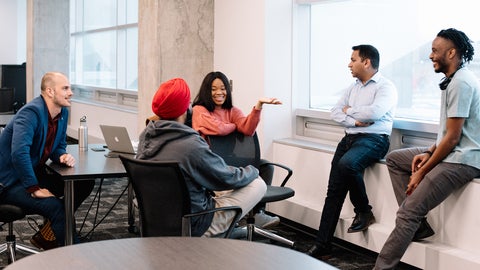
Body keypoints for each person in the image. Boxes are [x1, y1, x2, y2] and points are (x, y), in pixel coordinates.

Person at [374, 28, 480, 269]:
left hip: (464, 159)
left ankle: (383, 264)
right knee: (396, 159)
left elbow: (453, 139)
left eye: (435, 50)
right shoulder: (454, 79)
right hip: (454, 150)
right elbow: (447, 133)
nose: (430, 56)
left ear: (452, 52)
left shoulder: (461, 83)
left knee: (406, 213)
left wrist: (422, 172)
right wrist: (429, 152)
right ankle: (419, 226)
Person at [136, 77, 267, 237]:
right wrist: (252, 170)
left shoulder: (146, 137)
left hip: (156, 220)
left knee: (213, 188)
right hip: (195, 223)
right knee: (258, 184)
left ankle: (231, 231)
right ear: (185, 109)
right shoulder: (190, 145)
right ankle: (223, 233)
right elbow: (226, 177)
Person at [307, 45, 398, 259]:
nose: (349, 64)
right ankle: (323, 245)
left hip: (375, 139)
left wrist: (350, 112)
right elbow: (335, 112)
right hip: (349, 139)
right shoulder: (353, 87)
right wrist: (354, 120)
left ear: (366, 62)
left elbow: (375, 113)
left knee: (347, 165)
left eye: (353, 59)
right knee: (334, 192)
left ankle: (364, 210)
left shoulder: (386, 87)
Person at [0, 72, 95, 249]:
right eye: (65, 88)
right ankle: (74, 255)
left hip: (30, 174)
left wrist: (61, 155)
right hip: (8, 183)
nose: (71, 92)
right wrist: (34, 189)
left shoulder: (62, 113)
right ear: (50, 92)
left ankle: (49, 233)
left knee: (83, 182)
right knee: (55, 207)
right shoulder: (31, 113)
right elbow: (19, 153)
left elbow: (58, 144)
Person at [191, 71, 282, 229]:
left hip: (230, 158)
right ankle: (236, 216)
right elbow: (217, 128)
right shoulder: (200, 110)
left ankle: (257, 212)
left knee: (266, 166)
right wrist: (234, 126)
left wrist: (258, 105)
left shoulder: (232, 110)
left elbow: (247, 129)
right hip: (211, 161)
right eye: (213, 89)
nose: (219, 92)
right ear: (206, 91)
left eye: (222, 88)